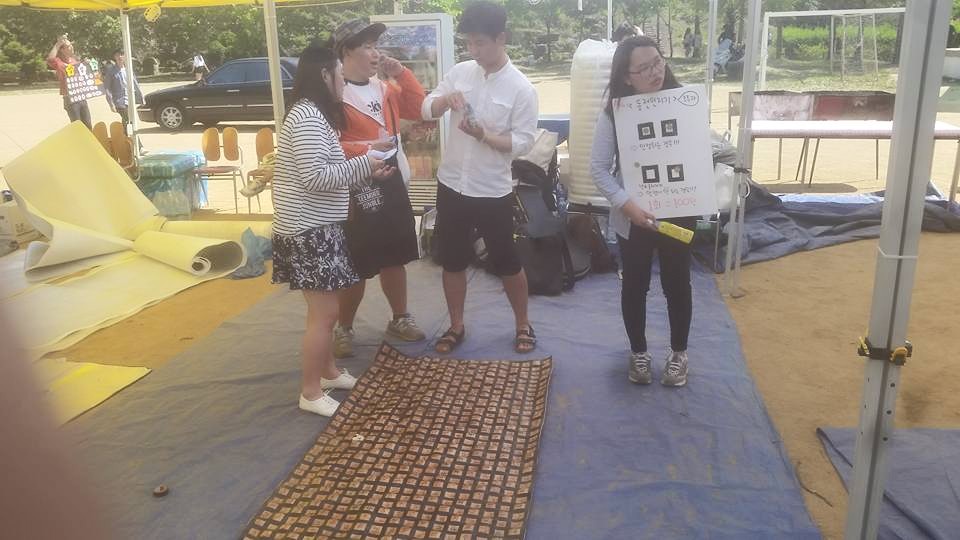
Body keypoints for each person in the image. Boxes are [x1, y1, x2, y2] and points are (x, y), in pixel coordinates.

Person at [271, 44, 393, 417]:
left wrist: (366, 168)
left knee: (325, 312)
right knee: (324, 316)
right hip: (309, 230)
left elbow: (326, 172)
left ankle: (328, 372)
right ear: (325, 75)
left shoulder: (313, 114)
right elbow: (316, 177)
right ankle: (310, 392)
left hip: (317, 226)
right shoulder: (308, 117)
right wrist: (367, 162)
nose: (344, 81)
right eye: (339, 74)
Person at [421, 1, 539, 354]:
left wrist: (484, 136)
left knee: (507, 261)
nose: (473, 50)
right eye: (469, 43)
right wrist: (444, 101)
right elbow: (426, 108)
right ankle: (456, 325)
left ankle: (523, 324)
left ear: (501, 38)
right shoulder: (460, 72)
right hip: (452, 184)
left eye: (480, 43)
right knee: (452, 258)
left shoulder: (521, 88)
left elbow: (523, 143)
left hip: (491, 189)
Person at [590, 36, 695, 387]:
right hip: (633, 215)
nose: (655, 71)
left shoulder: (684, 103)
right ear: (626, 76)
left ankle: (679, 353)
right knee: (635, 284)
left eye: (658, 62)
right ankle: (639, 352)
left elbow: (697, 155)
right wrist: (627, 205)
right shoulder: (614, 113)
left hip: (679, 209)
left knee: (677, 282)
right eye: (644, 68)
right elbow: (599, 169)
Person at [330, 18, 428, 359]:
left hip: (393, 182)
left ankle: (400, 317)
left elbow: (416, 108)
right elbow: (329, 146)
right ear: (347, 52)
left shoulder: (384, 88)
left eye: (376, 46)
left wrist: (403, 74)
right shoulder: (333, 95)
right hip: (356, 185)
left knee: (395, 255)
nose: (376, 53)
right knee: (356, 262)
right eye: (368, 47)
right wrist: (368, 149)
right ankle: (344, 327)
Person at [46, 35, 96, 129]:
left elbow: (83, 76)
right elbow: (50, 60)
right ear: (62, 50)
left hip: (81, 96)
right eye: (69, 46)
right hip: (70, 98)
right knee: (77, 126)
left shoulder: (75, 60)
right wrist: (58, 44)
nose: (72, 47)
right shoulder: (59, 62)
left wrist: (87, 65)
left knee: (88, 125)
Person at [103, 49, 143, 126]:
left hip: (130, 99)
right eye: (117, 55)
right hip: (119, 101)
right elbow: (107, 88)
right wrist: (111, 104)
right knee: (127, 118)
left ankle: (126, 132)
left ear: (125, 56)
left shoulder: (128, 69)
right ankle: (129, 133)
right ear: (114, 57)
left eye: (121, 55)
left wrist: (141, 97)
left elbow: (135, 84)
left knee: (129, 120)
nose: (120, 57)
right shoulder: (111, 71)